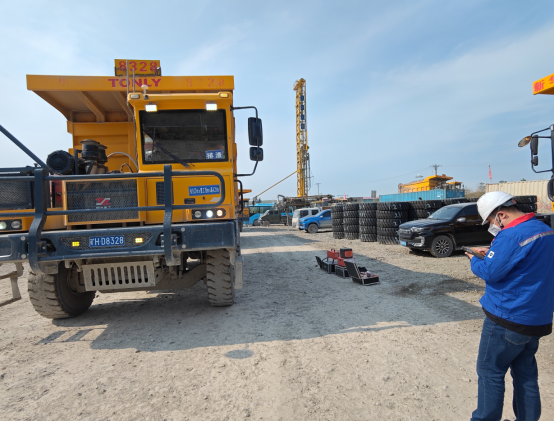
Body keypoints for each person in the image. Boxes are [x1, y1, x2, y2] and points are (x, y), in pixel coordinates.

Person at [466, 191, 554, 421]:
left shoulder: (511, 236)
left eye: (491, 221)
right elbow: (526, 263)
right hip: (536, 318)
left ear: (501, 214)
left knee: (490, 372)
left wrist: (475, 259)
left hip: (507, 318)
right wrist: (493, 254)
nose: (493, 226)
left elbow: (490, 272)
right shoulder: (544, 229)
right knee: (526, 375)